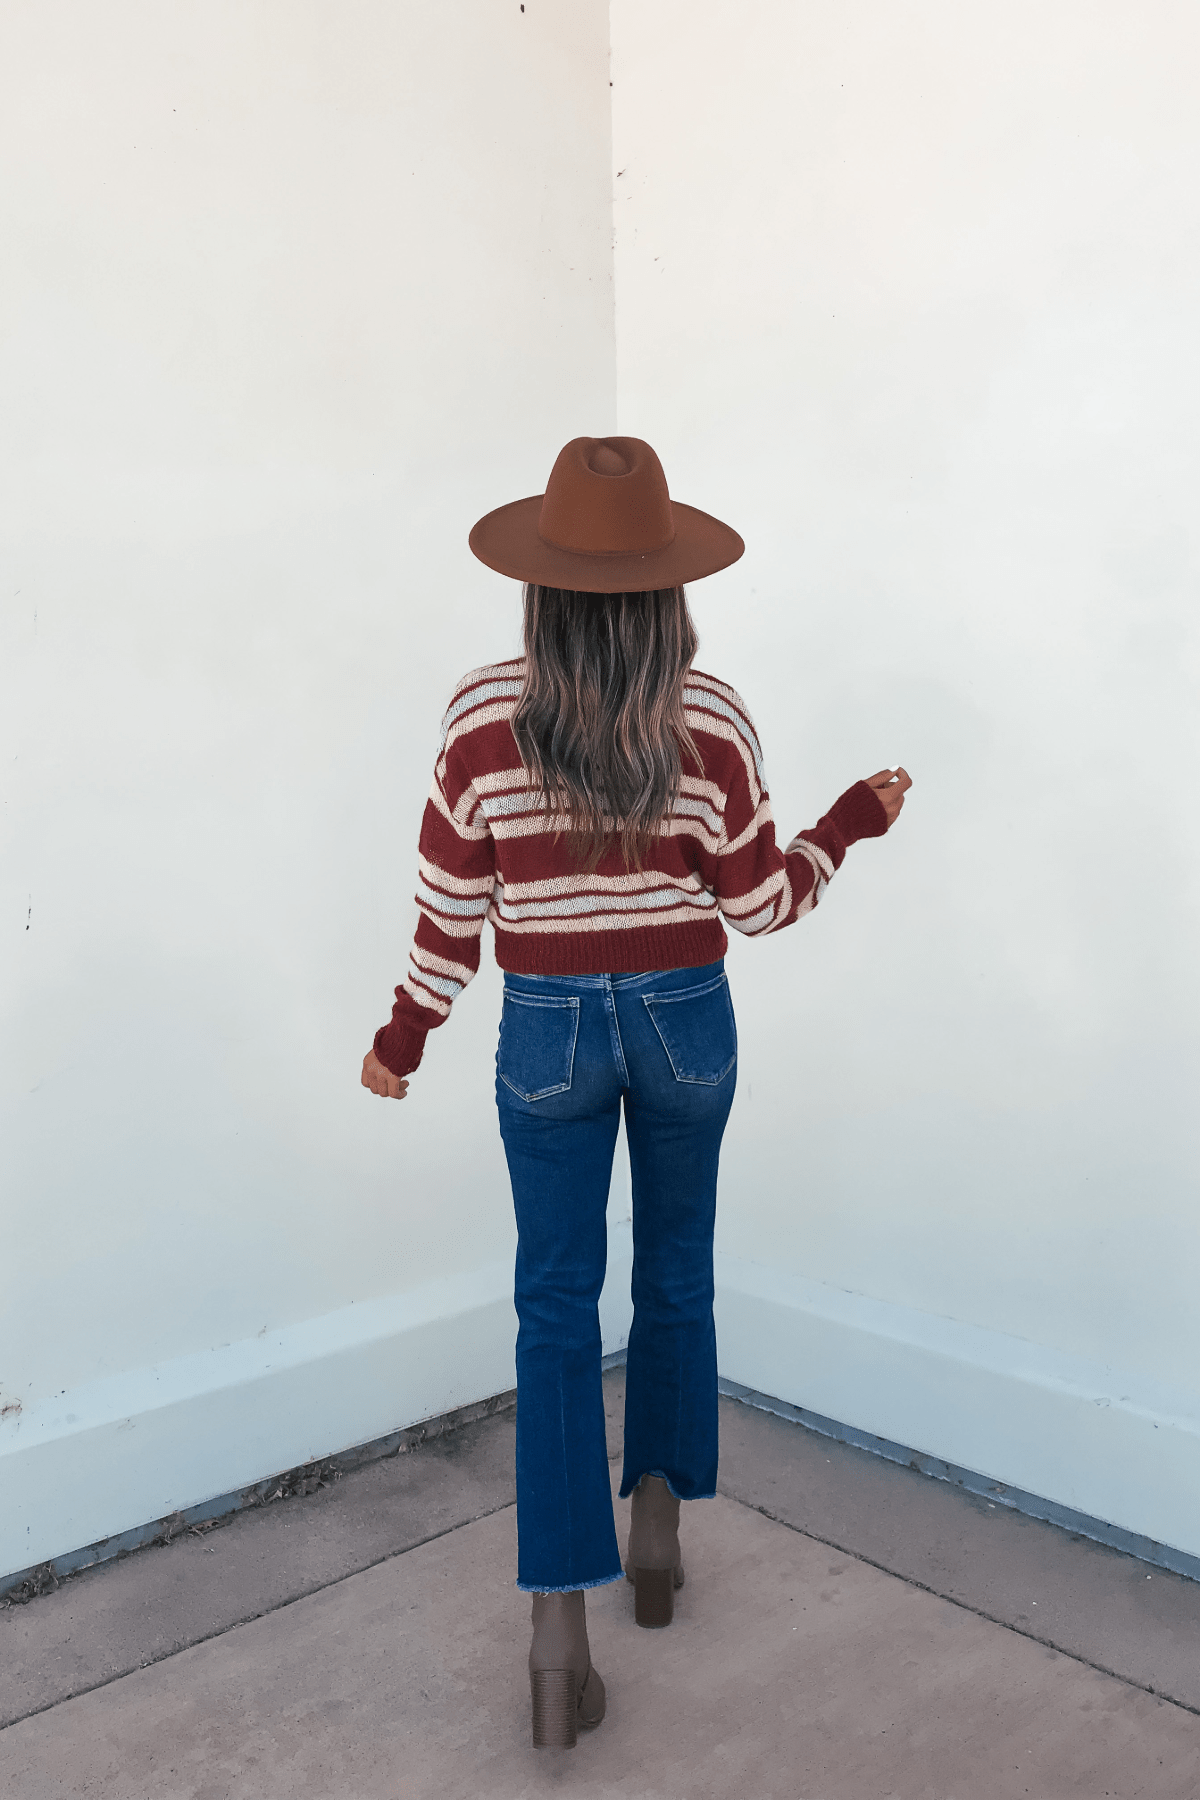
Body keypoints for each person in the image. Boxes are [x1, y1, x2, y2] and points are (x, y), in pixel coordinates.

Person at [361, 436, 911, 1749]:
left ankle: (558, 1636)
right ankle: (656, 1533)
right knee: (675, 1273)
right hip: (684, 1020)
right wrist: (848, 823)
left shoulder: (480, 715)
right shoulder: (711, 717)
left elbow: (449, 911)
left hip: (544, 1029)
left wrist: (405, 1035)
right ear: (668, 587)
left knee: (553, 1309)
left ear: (539, 584)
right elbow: (759, 904)